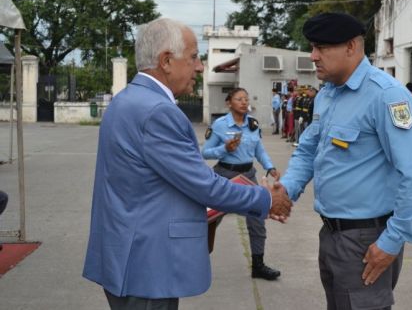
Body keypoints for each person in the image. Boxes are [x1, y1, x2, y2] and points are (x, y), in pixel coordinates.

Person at [82, 18, 291, 310]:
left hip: (126, 253)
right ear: (166, 60)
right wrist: (267, 199)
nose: (200, 66)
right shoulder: (158, 112)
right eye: (193, 57)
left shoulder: (127, 100)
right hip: (147, 266)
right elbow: (204, 186)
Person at [274, 12, 412, 309]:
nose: (313, 56)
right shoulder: (328, 94)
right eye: (312, 47)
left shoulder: (386, 96)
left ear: (351, 47)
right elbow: (308, 149)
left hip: (366, 237)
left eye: (321, 48)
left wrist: (392, 241)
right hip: (331, 233)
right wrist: (287, 188)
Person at [202, 87, 282, 281]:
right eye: (239, 99)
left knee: (257, 220)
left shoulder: (253, 125)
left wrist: (270, 167)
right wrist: (224, 148)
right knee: (208, 221)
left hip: (247, 177)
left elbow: (259, 150)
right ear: (229, 103)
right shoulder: (220, 125)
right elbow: (205, 152)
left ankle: (258, 265)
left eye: (246, 99)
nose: (244, 102)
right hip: (224, 176)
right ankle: (196, 261)